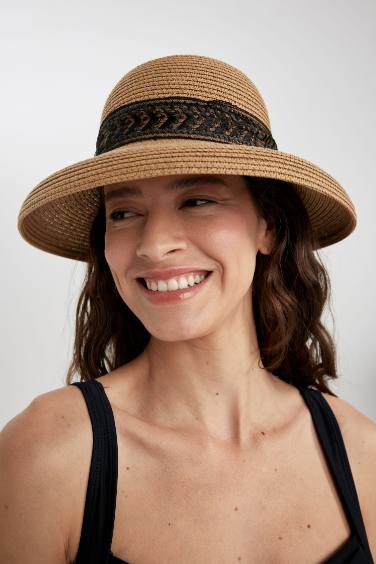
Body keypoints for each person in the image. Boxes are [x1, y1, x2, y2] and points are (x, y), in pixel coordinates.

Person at [1, 54, 375, 563]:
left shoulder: (363, 457)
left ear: (268, 225)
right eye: (124, 211)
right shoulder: (48, 454)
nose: (154, 245)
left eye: (197, 200)